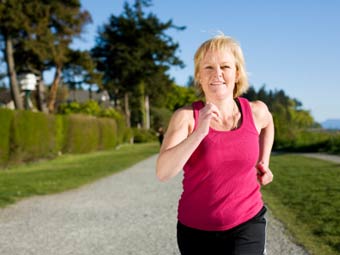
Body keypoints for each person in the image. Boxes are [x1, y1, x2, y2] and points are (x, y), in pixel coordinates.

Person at [156, 34, 274, 255]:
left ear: (237, 73)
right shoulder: (186, 117)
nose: (217, 74)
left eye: (225, 67)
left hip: (247, 222)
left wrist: (264, 162)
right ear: (199, 76)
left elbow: (268, 123)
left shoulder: (255, 111)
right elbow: (163, 172)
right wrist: (199, 132)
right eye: (208, 67)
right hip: (196, 231)